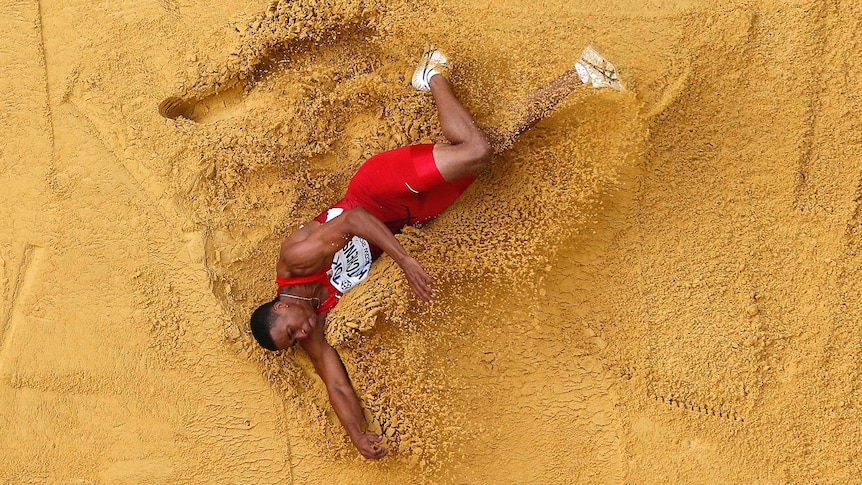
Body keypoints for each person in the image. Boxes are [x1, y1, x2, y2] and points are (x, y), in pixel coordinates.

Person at [250, 46, 623, 459]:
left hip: (377, 192)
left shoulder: (297, 262)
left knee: (475, 152)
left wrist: (404, 260)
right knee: (491, 148)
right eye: (294, 342)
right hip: (409, 216)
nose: (303, 335)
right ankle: (578, 76)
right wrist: (357, 435)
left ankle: (431, 75)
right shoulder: (312, 324)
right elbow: (335, 382)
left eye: (292, 331)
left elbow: (354, 220)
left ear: (281, 308)